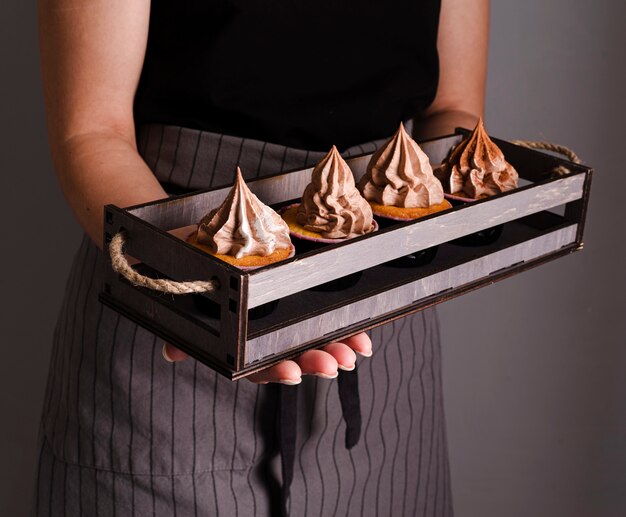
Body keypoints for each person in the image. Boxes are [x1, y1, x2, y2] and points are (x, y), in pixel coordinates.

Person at [34, 0, 487, 515]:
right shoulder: (179, 269)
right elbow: (93, 131)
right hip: (171, 286)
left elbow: (454, 108)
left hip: (385, 315)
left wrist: (395, 217)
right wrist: (191, 276)